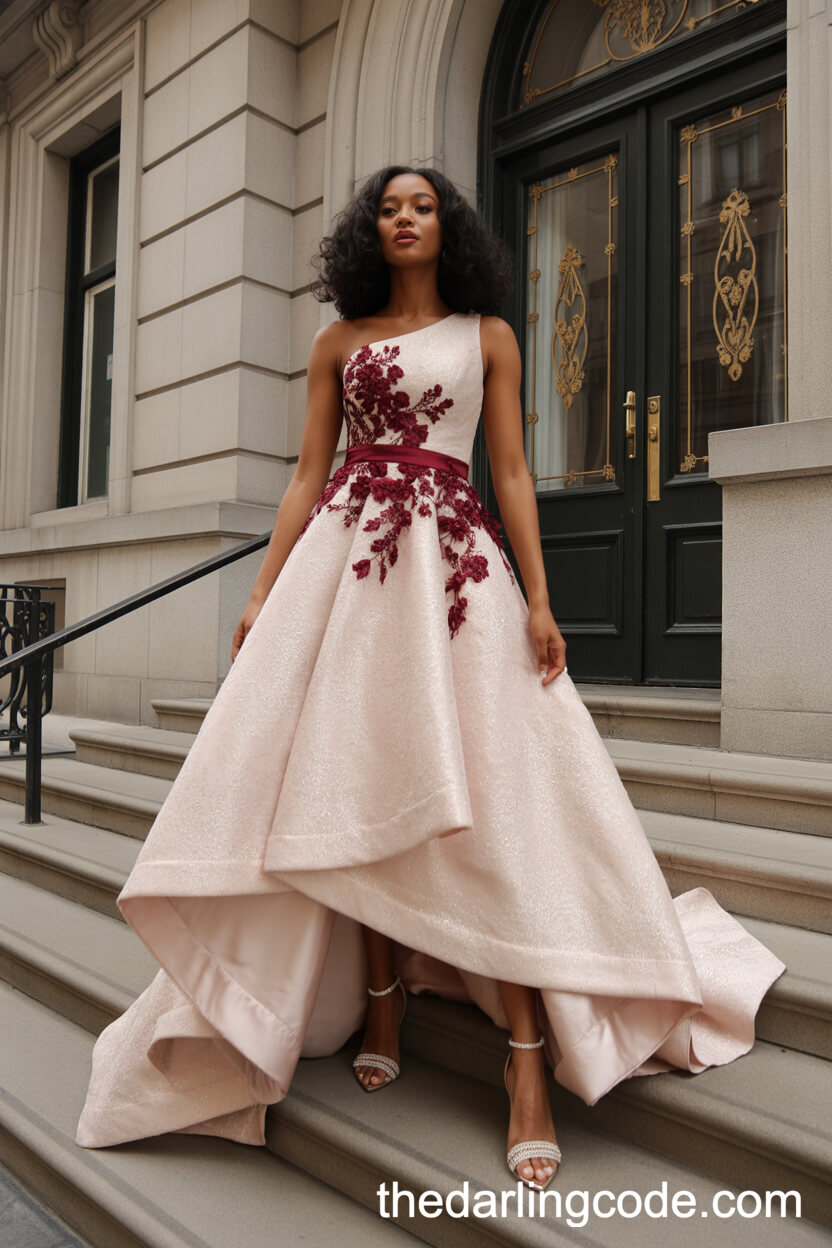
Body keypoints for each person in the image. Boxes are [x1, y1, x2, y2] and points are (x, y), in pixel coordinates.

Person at [76, 166, 785, 1196]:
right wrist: (259, 594)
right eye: (386, 208)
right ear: (369, 232)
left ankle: (528, 1059)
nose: (404, 218)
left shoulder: (487, 334)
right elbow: (302, 478)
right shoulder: (336, 344)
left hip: (453, 582)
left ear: (448, 228)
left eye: (422, 206)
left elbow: (507, 473)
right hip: (345, 583)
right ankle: (379, 996)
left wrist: (541, 601)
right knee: (354, 788)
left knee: (490, 808)